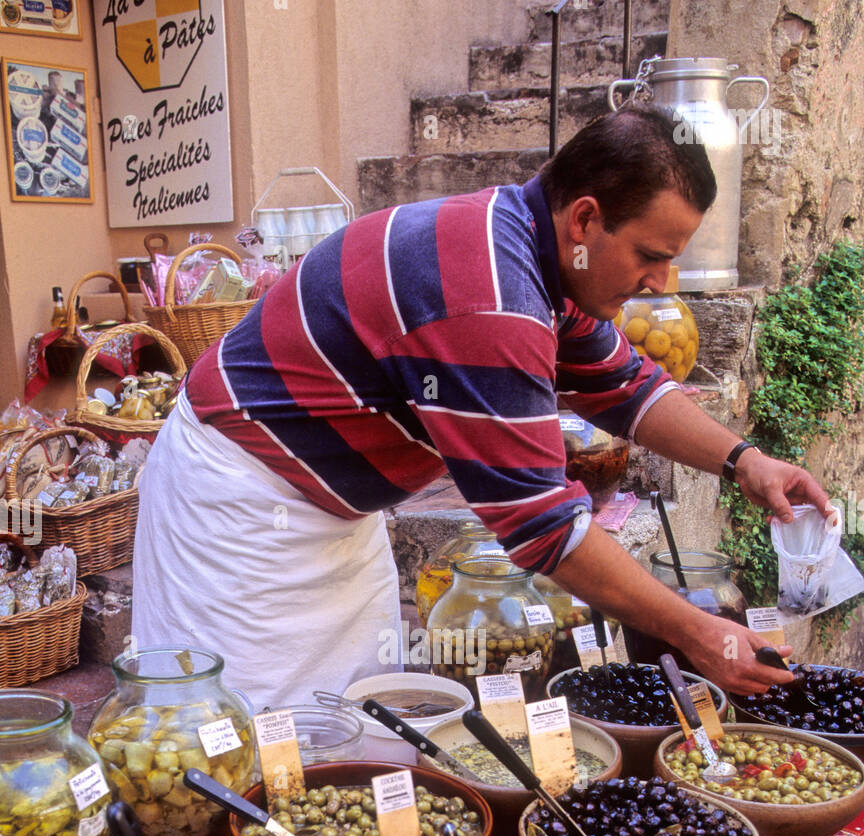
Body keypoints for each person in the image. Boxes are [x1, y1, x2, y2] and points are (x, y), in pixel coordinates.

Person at [132, 107, 829, 710]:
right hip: (238, 509)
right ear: (585, 218)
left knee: (352, 722)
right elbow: (544, 528)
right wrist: (699, 633)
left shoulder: (536, 249)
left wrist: (746, 461)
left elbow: (627, 385)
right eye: (651, 255)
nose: (660, 283)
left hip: (333, 517)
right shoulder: (493, 297)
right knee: (241, 739)